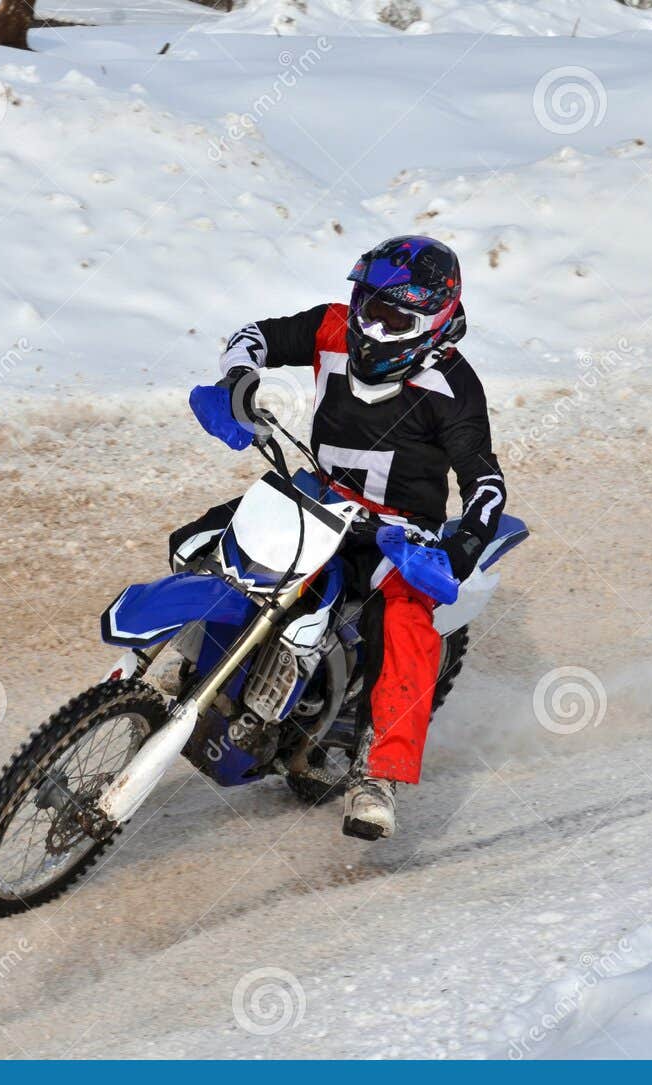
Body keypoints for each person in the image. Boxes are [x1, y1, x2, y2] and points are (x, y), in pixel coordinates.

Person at [183, 235, 507, 841]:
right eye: (369, 306)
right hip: (318, 496)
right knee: (206, 542)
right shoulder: (331, 327)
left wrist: (461, 545)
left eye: (394, 318)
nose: (373, 327)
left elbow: (484, 481)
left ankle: (377, 775)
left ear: (432, 324)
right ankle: (182, 670)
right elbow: (253, 335)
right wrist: (237, 381)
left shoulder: (453, 386)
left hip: (396, 534)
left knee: (404, 620)